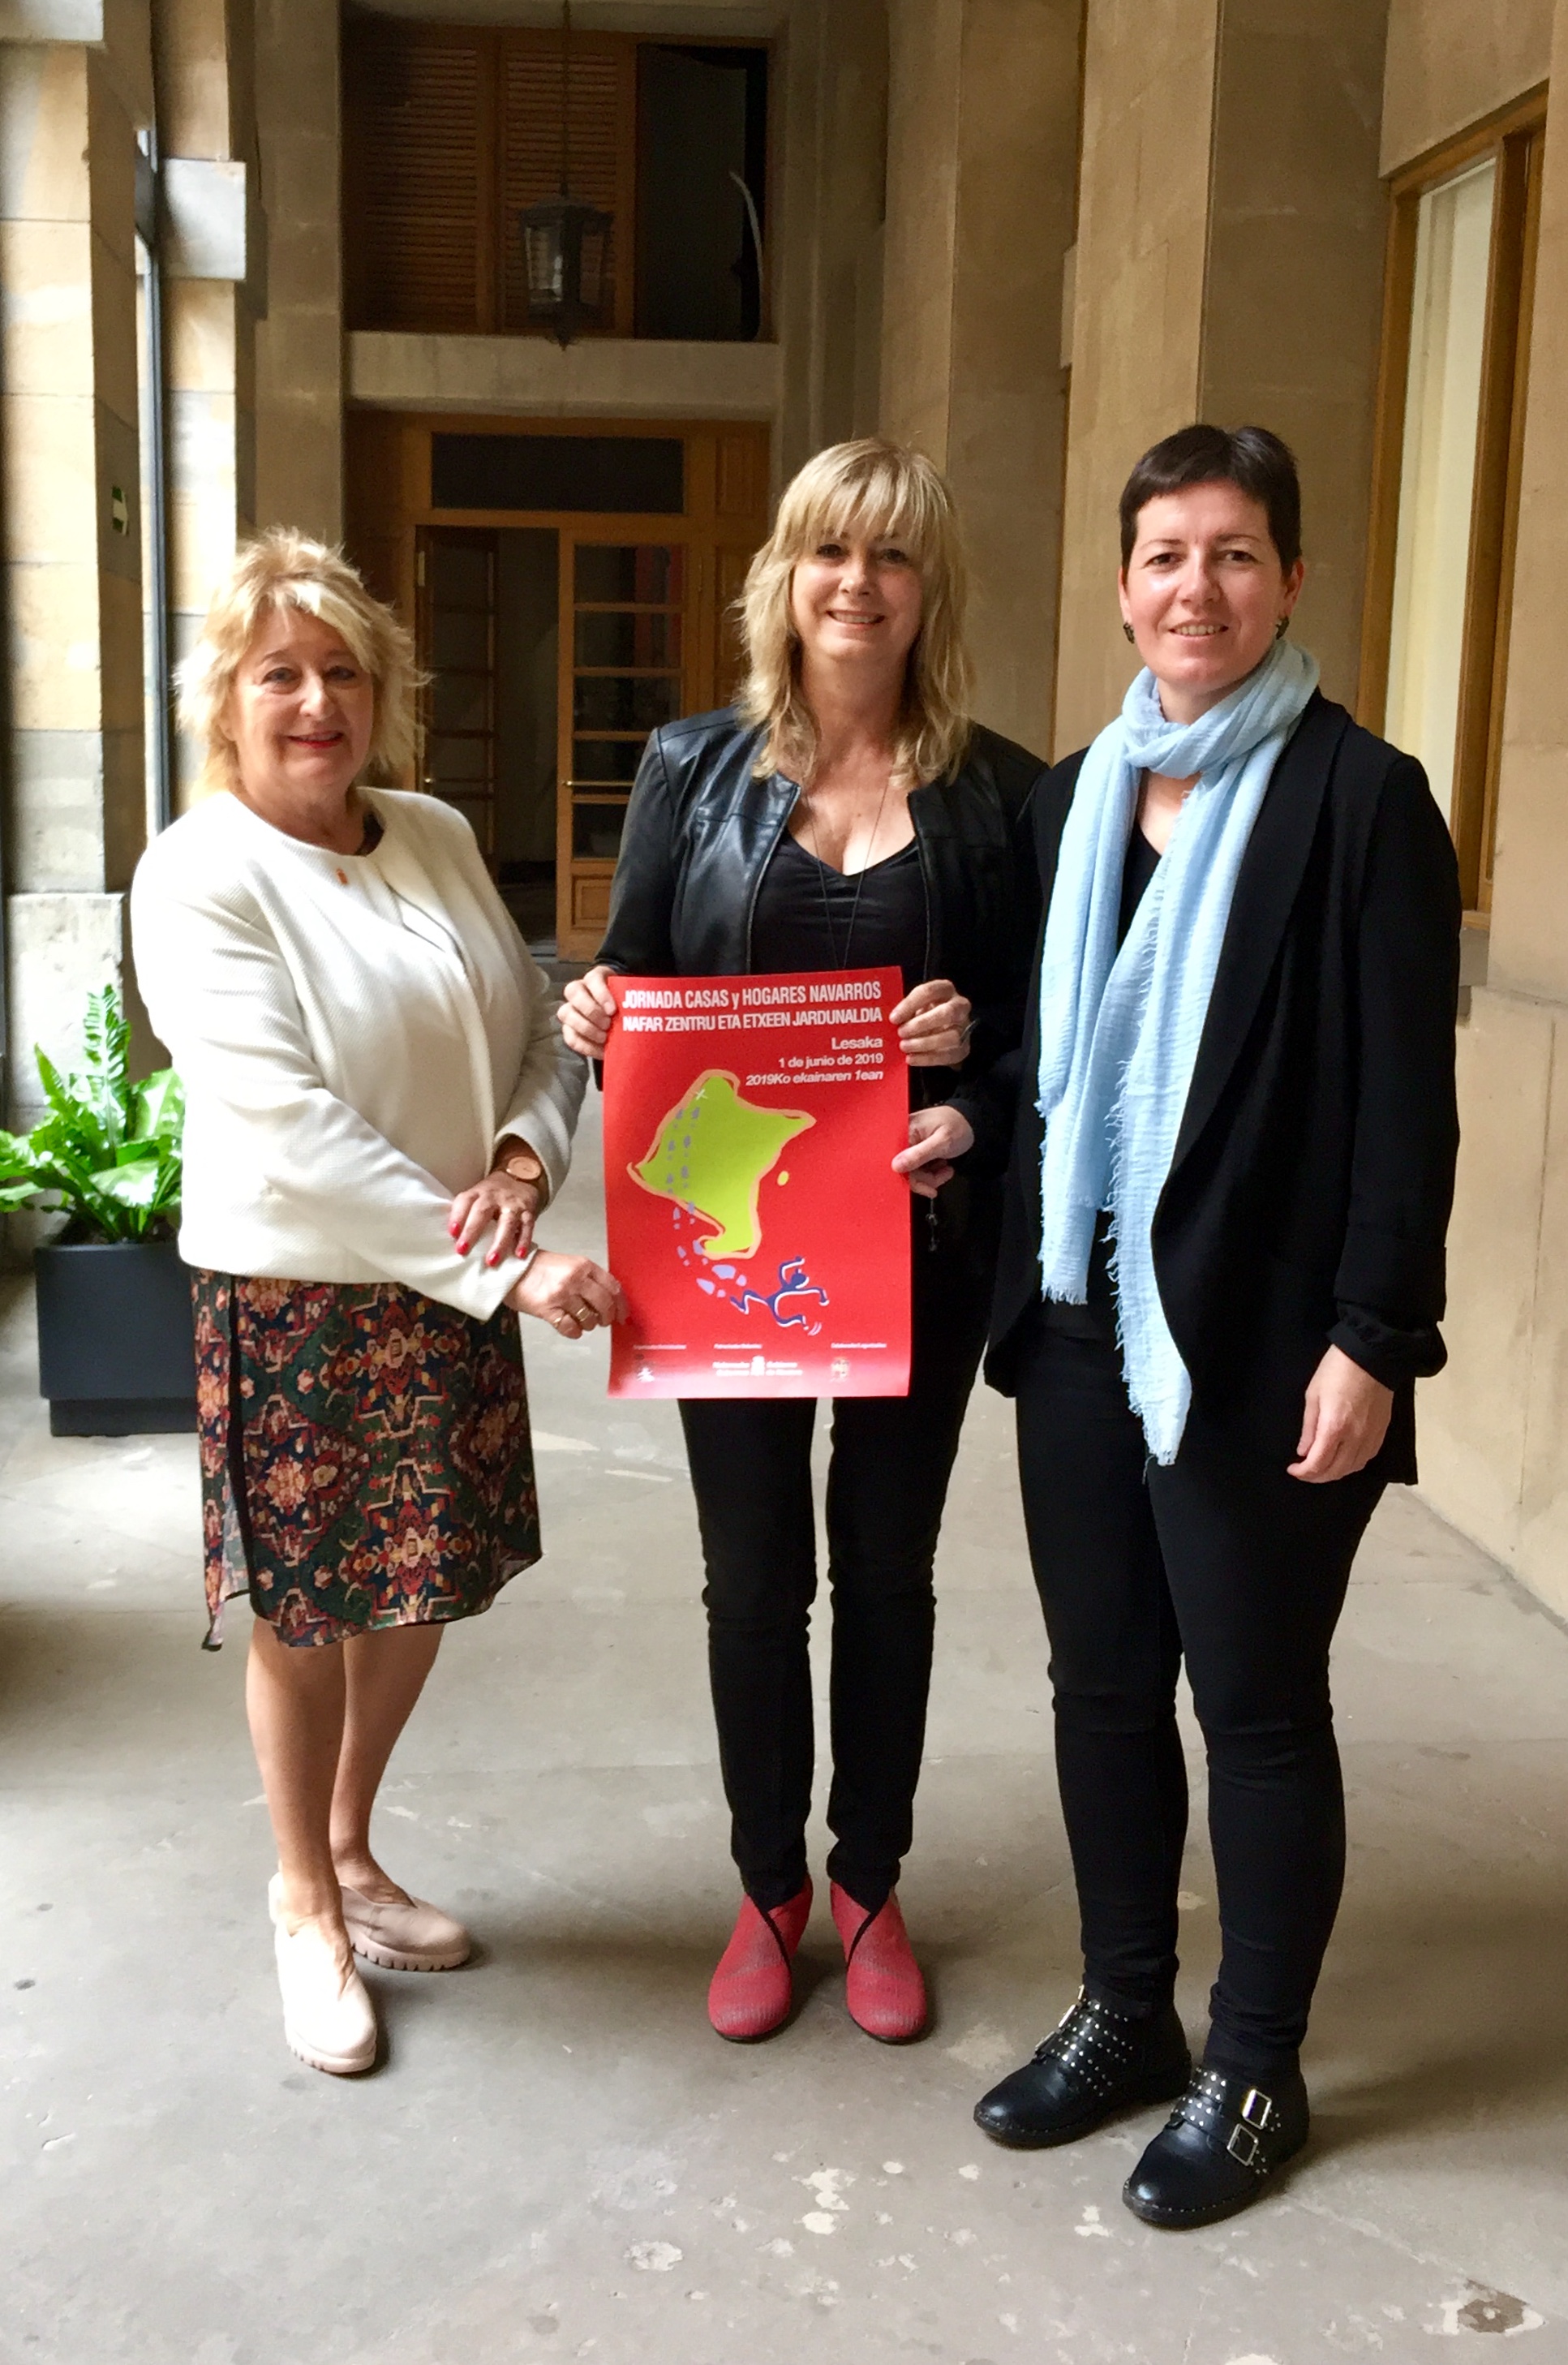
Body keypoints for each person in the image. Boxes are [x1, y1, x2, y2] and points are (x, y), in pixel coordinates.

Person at [968, 425, 1460, 2225]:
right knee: (1101, 1686)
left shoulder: (1362, 800)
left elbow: (1408, 1106)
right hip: (1080, 1317)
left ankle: (1257, 2065)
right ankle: (1126, 2011)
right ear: (1122, 588)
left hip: (1262, 1337)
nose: (1199, 588)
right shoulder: (1073, 799)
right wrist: (965, 1114)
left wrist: (1374, 1338)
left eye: (1235, 553)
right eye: (1166, 555)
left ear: (1292, 580)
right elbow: (1049, 1063)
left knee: (1252, 1706)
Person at [560, 438, 1043, 2045]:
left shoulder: (1001, 795)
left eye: (892, 555)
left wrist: (968, 1077)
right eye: (830, 550)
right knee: (753, 1578)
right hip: (728, 1262)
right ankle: (767, 1886)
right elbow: (634, 978)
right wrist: (597, 1015)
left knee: (887, 1572)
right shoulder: (689, 769)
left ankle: (870, 1883)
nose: (858, 583)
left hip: (916, 1254)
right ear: (784, 575)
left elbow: (1049, 1039)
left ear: (929, 590)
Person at [131, 531, 622, 2079]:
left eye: (342, 671)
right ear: (225, 699)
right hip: (302, 1293)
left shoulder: (433, 831)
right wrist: (510, 1265)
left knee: (419, 1586)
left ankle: (350, 1851)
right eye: (278, 673)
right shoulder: (198, 873)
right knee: (310, 1609)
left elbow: (534, 1019)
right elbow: (286, 1121)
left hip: (451, 1274)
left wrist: (525, 1161)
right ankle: (300, 1904)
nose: (316, 703)